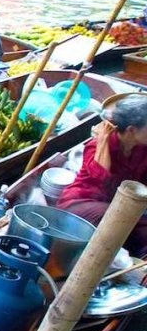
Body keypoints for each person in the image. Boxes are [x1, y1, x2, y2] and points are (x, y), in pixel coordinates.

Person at [57, 95, 147, 257]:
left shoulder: (142, 149)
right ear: (132, 130)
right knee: (120, 217)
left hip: (120, 208)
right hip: (81, 203)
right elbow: (102, 179)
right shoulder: (97, 145)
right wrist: (103, 140)